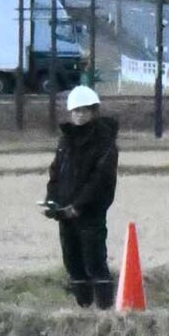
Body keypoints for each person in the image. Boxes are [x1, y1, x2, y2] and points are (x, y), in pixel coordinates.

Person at [44, 83, 119, 308]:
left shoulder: (105, 142)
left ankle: (105, 310)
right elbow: (55, 172)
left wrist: (78, 205)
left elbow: (100, 180)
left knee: (95, 262)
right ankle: (83, 309)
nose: (79, 114)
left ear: (94, 112)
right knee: (73, 264)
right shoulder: (65, 141)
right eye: (76, 110)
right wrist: (52, 200)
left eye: (84, 110)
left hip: (91, 214)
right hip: (65, 214)